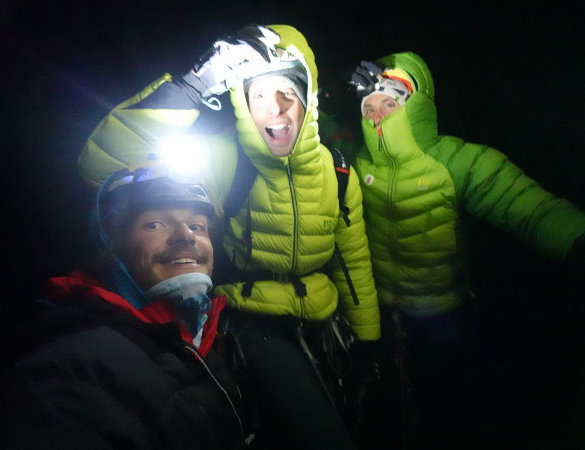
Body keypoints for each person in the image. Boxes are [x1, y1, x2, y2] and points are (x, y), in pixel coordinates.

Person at [77, 24, 380, 449]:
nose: (275, 109)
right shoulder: (225, 157)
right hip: (250, 319)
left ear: (307, 99)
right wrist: (194, 85)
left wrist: (368, 340)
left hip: (325, 321)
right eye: (259, 95)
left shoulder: (338, 171)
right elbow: (100, 167)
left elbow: (353, 262)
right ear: (242, 104)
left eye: (287, 94)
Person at [319, 52, 585, 449]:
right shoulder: (355, 156)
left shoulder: (454, 159)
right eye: (368, 106)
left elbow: (527, 206)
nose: (377, 114)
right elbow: (315, 128)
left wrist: (575, 238)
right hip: (382, 316)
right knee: (389, 412)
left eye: (391, 102)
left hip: (444, 313)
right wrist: (331, 92)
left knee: (450, 407)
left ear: (416, 106)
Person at [0, 163, 249, 449]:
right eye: (155, 224)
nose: (186, 235)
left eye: (197, 226)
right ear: (112, 246)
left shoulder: (201, 340)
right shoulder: (70, 366)